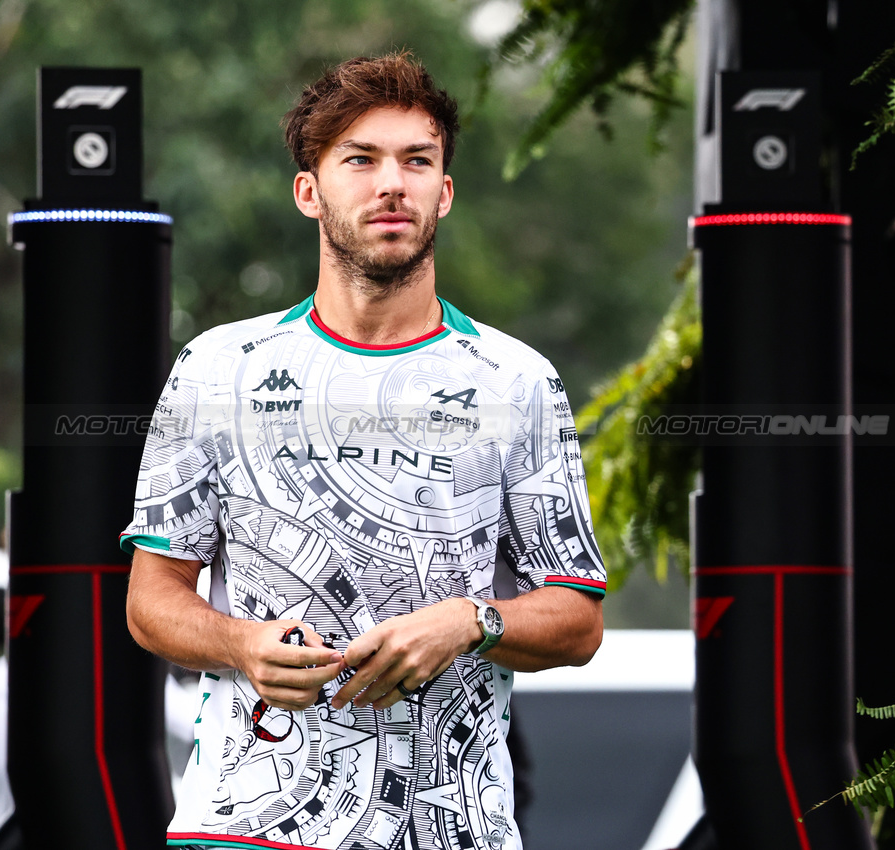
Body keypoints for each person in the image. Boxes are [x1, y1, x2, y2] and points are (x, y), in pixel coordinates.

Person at [123, 51, 606, 850]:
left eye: (418, 161)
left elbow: (577, 619)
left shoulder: (516, 380)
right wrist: (241, 642)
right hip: (243, 826)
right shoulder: (217, 368)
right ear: (309, 191)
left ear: (443, 193)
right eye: (361, 159)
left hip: (450, 831)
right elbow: (152, 600)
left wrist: (470, 620)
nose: (393, 183)